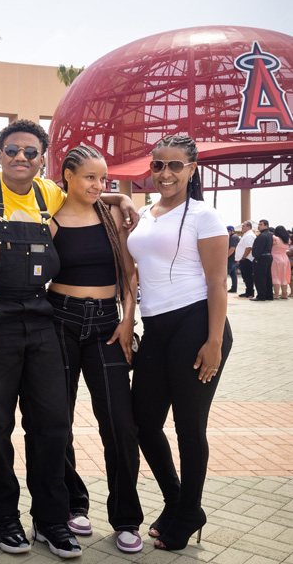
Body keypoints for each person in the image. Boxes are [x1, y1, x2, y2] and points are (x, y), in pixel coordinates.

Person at [0, 120, 138, 560]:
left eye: (31, 153)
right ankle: (2, 517)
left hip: (42, 321)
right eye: (13, 150)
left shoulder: (49, 195)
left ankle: (52, 519)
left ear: (43, 160)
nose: (21, 158)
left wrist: (119, 195)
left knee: (52, 425)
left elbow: (88, 191)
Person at [127, 135, 233, 551]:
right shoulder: (143, 213)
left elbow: (216, 283)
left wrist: (214, 342)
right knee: (143, 423)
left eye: (175, 166)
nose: (165, 173)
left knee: (190, 427)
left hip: (196, 324)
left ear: (192, 169)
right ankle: (178, 501)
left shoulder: (205, 216)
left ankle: (189, 509)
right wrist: (127, 319)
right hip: (156, 328)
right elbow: (137, 270)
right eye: (158, 165)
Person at [48, 146, 143, 554]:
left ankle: (126, 517)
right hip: (59, 321)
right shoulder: (48, 215)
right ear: (68, 175)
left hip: (108, 323)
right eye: (90, 177)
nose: (98, 185)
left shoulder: (111, 218)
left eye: (103, 179)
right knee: (58, 420)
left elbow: (129, 274)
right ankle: (73, 503)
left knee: (120, 423)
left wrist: (127, 319)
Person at [251, 219, 274, 301]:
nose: (258, 226)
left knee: (260, 277)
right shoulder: (269, 235)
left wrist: (256, 258)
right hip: (268, 257)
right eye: (259, 224)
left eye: (261, 224)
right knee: (268, 277)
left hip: (261, 258)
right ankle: (269, 295)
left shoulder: (262, 235)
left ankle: (261, 296)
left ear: (266, 225)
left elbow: (259, 249)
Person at [235, 220, 256, 298]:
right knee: (246, 276)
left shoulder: (249, 235)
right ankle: (248, 291)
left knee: (248, 276)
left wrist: (243, 258)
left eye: (244, 226)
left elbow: (249, 247)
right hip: (245, 259)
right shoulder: (247, 235)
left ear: (249, 227)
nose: (242, 227)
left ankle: (250, 292)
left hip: (247, 259)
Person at [272, 225, 290, 299]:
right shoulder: (287, 239)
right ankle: (284, 294)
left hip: (275, 258)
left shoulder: (275, 238)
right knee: (283, 277)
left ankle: (276, 294)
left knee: (276, 276)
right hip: (285, 258)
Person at [226, 226, 240, 294]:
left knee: (224, 275)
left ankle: (221, 288)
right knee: (233, 275)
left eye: (227, 231)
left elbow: (232, 248)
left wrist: (225, 257)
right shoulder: (235, 236)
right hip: (234, 259)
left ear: (232, 231)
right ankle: (234, 288)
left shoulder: (233, 237)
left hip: (231, 259)